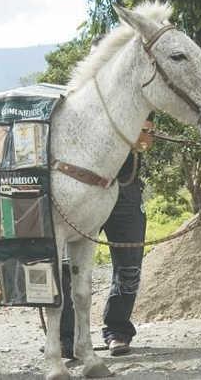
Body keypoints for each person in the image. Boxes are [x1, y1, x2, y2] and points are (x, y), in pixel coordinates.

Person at [59, 113, 154, 358]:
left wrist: (138, 129)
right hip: (85, 190)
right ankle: (66, 339)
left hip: (125, 189)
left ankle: (117, 331)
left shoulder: (142, 103)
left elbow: (144, 142)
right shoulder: (83, 100)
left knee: (129, 267)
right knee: (68, 267)